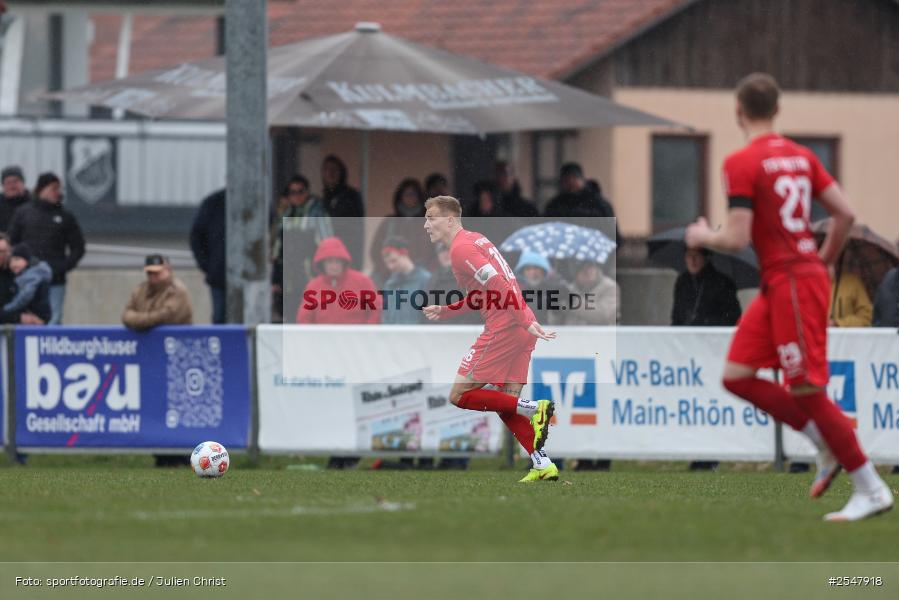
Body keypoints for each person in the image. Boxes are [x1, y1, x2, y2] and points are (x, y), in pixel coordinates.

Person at [685, 72, 892, 521]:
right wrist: (825, 258)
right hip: (785, 280)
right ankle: (824, 442)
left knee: (807, 388)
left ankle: (870, 487)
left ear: (738, 111)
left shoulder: (741, 161)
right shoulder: (801, 156)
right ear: (777, 110)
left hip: (794, 281)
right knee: (737, 374)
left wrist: (703, 234)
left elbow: (738, 237)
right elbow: (846, 212)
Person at [421, 195, 559, 483]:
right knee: (504, 403)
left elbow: (497, 284)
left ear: (449, 219)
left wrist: (523, 321)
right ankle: (542, 463)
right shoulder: (475, 239)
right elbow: (485, 292)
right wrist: (447, 311)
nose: (426, 225)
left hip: (506, 327)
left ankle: (535, 408)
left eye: (431, 218)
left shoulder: (460, 250)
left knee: (459, 395)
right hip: (520, 324)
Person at [8, 172, 85, 325]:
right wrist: (20, 264)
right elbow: (12, 242)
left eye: (59, 189)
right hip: (26, 279)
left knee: (53, 319)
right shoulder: (24, 213)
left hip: (55, 280)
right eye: (54, 188)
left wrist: (62, 267)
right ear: (42, 189)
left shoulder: (64, 216)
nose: (58, 193)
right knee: (22, 316)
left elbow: (78, 247)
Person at [271, 175, 332, 323]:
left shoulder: (317, 212)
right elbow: (278, 250)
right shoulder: (286, 214)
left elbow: (328, 245)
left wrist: (325, 273)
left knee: (312, 314)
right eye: (293, 192)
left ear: (308, 192)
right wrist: (276, 279)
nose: (297, 195)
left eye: (301, 191)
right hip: (289, 278)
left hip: (310, 274)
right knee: (291, 314)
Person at [296, 236, 381, 325]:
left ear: (344, 262)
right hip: (324, 338)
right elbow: (304, 318)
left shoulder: (362, 282)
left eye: (337, 262)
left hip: (356, 338)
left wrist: (367, 333)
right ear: (322, 263)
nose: (334, 266)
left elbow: (376, 309)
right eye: (329, 262)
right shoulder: (313, 287)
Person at [369, 178, 432, 285]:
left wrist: (426, 271)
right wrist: (385, 269)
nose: (410, 198)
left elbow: (435, 252)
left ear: (419, 197)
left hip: (419, 277)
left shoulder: (428, 222)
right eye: (407, 194)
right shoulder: (389, 222)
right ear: (400, 197)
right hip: (389, 275)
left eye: (413, 194)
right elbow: (375, 250)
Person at [543, 163, 621, 244]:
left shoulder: (598, 204)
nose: (571, 183)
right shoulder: (555, 205)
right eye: (567, 180)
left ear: (581, 179)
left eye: (574, 178)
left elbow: (613, 234)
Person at [671, 248, 742, 326]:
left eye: (696, 256)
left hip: (713, 335)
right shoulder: (682, 282)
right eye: (688, 256)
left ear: (705, 257)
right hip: (685, 335)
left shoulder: (722, 283)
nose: (692, 260)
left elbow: (731, 317)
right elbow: (676, 315)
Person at [122, 254, 193, 331]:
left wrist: (138, 320)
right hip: (146, 340)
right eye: (149, 272)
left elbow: (165, 316)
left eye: (157, 272)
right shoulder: (141, 290)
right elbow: (126, 315)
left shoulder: (177, 290)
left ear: (168, 270)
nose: (152, 276)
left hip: (174, 339)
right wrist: (146, 321)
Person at [321, 155, 364, 268]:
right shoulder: (324, 198)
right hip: (327, 255)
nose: (330, 173)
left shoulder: (352, 196)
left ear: (341, 173)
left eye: (334, 169)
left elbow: (356, 230)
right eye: (326, 169)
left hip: (347, 254)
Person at [189, 189, 226, 324]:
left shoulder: (255, 200)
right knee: (220, 318)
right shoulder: (214, 202)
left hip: (249, 278)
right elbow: (196, 235)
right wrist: (208, 266)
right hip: (219, 276)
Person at [426, 243, 481, 326]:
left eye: (448, 249)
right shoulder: (432, 280)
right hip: (438, 333)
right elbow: (427, 311)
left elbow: (476, 308)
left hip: (463, 331)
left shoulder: (469, 277)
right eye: (441, 251)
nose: (445, 254)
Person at [380, 237, 431, 325]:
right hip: (393, 337)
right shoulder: (390, 284)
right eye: (387, 263)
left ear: (404, 254)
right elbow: (385, 316)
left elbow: (430, 315)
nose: (390, 267)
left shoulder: (426, 280)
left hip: (417, 337)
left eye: (394, 261)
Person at [2, 243, 51, 323]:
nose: (13, 264)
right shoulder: (22, 275)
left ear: (27, 260)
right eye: (11, 261)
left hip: (37, 316)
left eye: (17, 259)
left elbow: (24, 297)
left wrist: (7, 309)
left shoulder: (31, 276)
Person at [514, 251, 567, 325]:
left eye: (536, 268)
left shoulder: (557, 288)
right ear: (522, 271)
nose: (532, 273)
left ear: (544, 270)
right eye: (528, 269)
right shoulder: (516, 291)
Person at [561, 262, 620, 326]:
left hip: (599, 335)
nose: (588, 271)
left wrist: (574, 301)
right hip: (571, 334)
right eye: (583, 269)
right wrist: (556, 307)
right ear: (575, 273)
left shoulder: (610, 287)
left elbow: (603, 315)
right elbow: (555, 324)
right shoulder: (569, 289)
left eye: (591, 266)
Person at [0, 165, 30, 231]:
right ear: (3, 185)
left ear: (23, 183)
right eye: (8, 183)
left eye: (15, 181)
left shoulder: (35, 203)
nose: (12, 186)